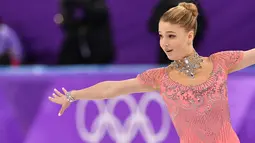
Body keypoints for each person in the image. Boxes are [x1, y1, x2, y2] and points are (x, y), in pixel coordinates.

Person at [49, 2, 255, 143]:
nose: (164, 43)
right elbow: (112, 88)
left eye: (171, 36)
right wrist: (73, 95)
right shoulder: (161, 78)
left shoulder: (220, 63)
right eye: (161, 36)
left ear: (189, 36)